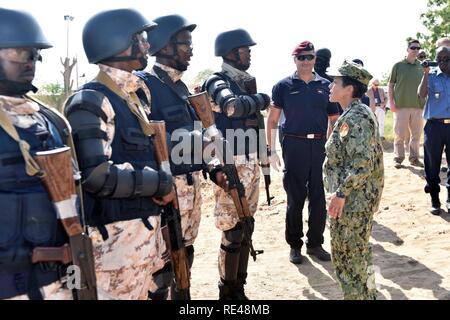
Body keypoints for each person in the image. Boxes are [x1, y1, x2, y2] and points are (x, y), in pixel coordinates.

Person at [64, 9, 176, 300]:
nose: (147, 45)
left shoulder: (137, 95)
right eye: (140, 38)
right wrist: (158, 182)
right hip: (113, 248)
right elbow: (94, 175)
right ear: (118, 43)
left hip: (145, 236)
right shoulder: (90, 100)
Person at [136, 14, 226, 299]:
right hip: (165, 191)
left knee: (185, 254)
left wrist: (213, 169)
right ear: (163, 47)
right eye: (185, 44)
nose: (191, 49)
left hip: (191, 187)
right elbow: (143, 139)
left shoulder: (181, 87)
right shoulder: (145, 85)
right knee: (160, 269)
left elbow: (196, 135)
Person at [0, 8, 76, 300]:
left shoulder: (50, 120)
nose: (30, 62)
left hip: (56, 281)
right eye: (20, 53)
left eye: (34, 54)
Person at [203, 29, 270, 299]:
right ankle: (226, 291)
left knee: (246, 225)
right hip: (231, 161)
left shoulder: (244, 83)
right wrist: (262, 100)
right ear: (231, 53)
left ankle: (238, 288)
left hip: (250, 159)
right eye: (245, 49)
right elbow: (231, 107)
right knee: (232, 231)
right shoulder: (216, 81)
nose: (249, 52)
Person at [267, 41, 339, 265]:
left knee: (318, 197)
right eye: (302, 58)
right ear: (294, 59)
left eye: (310, 57)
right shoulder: (282, 86)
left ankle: (315, 243)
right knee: (295, 198)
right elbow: (272, 120)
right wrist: (271, 151)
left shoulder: (326, 86)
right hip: (293, 146)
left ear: (315, 59)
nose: (306, 61)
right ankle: (295, 245)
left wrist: (332, 145)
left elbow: (334, 120)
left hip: (319, 147)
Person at [324, 60, 384, 300]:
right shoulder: (354, 113)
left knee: (349, 258)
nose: (330, 86)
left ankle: (362, 297)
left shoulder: (355, 117)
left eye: (335, 82)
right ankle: (368, 295)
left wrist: (340, 194)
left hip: (352, 202)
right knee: (359, 254)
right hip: (351, 200)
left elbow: (361, 165)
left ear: (349, 89)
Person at [419, 46, 450, 215]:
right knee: (432, 165)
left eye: (447, 59)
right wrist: (424, 74)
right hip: (434, 126)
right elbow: (421, 95)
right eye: (439, 60)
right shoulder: (431, 76)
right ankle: (434, 199)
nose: (443, 63)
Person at [388, 39, 425, 169]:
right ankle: (398, 157)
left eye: (418, 48)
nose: (415, 50)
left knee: (416, 135)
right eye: (413, 48)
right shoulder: (398, 65)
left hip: (418, 106)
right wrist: (391, 102)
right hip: (401, 106)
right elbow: (391, 85)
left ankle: (414, 158)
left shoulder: (422, 66)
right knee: (399, 134)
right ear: (407, 49)